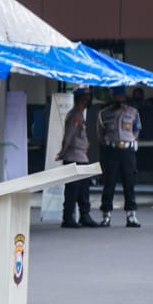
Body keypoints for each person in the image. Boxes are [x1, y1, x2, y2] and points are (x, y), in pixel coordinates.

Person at [97, 85, 142, 227]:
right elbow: (100, 132)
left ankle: (131, 215)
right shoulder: (104, 113)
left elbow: (136, 130)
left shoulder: (133, 112)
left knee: (129, 183)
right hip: (112, 150)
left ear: (125, 96)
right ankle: (106, 215)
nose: (119, 98)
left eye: (121, 96)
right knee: (109, 183)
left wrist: (129, 141)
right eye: (116, 96)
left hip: (127, 151)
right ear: (112, 97)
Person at [57, 88, 99, 228]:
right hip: (74, 157)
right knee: (72, 190)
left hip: (82, 157)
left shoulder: (80, 115)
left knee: (83, 190)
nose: (89, 99)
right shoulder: (75, 115)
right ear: (82, 98)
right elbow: (68, 136)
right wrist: (63, 152)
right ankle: (68, 217)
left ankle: (84, 215)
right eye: (87, 97)